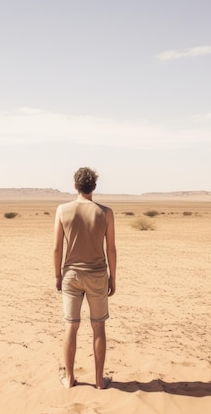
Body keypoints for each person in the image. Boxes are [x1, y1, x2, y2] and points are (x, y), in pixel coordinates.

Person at [53, 167, 117, 389]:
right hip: (98, 275)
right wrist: (113, 278)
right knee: (98, 327)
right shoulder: (106, 212)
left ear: (75, 186)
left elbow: (56, 249)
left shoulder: (62, 210)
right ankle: (99, 381)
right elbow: (111, 250)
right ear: (94, 187)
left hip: (71, 275)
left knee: (71, 326)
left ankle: (69, 379)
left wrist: (57, 276)